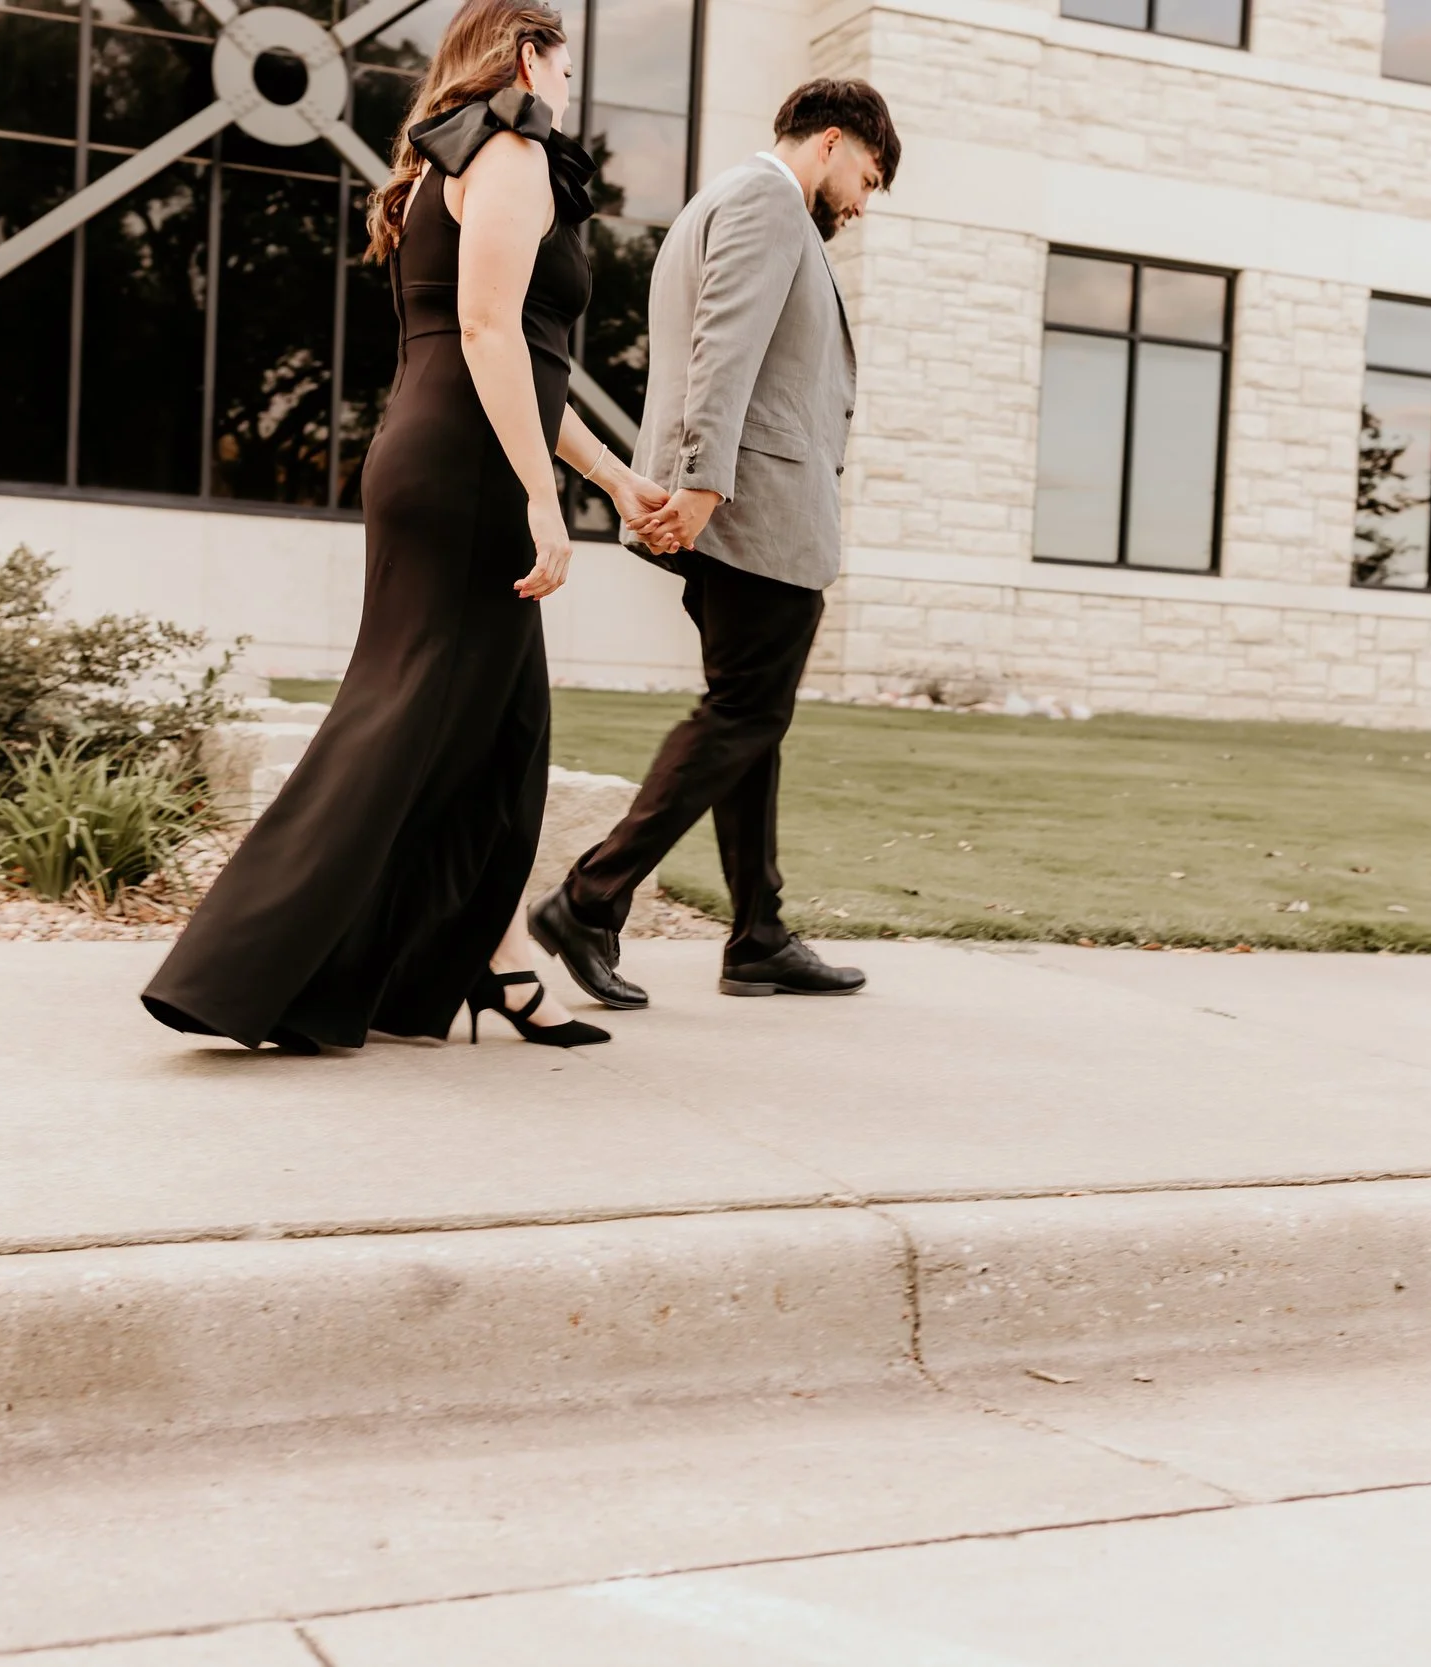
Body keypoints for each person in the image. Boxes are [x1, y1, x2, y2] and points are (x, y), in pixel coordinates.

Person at [141, 0, 669, 1052]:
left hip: (439, 452)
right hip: (467, 471)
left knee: (494, 744)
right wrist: (535, 496)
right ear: (528, 53)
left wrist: (608, 477)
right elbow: (485, 331)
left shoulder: (444, 162)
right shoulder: (510, 153)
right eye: (563, 63)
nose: (568, 85)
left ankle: (488, 963)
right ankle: (241, 969)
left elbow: (517, 358)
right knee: (402, 729)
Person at [527, 79, 899, 1009]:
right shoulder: (768, 202)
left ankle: (759, 933)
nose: (863, 198)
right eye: (868, 173)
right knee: (742, 714)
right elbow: (722, 351)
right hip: (753, 512)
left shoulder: (722, 201)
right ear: (830, 141)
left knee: (749, 716)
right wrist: (703, 484)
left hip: (736, 508)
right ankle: (591, 895)